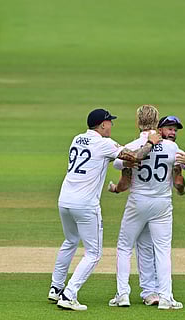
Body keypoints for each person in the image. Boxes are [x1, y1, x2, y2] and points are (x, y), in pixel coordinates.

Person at [48, 108, 162, 311]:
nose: (112, 125)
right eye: (110, 122)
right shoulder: (104, 143)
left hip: (64, 200)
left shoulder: (77, 139)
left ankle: (56, 287)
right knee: (93, 254)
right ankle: (69, 294)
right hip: (85, 204)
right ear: (102, 125)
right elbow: (135, 157)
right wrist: (151, 142)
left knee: (70, 241)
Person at [108, 114, 185, 307]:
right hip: (161, 203)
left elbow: (116, 163)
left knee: (125, 247)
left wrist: (127, 163)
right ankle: (165, 297)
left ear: (137, 122)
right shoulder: (171, 147)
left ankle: (123, 294)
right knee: (163, 250)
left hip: (138, 201)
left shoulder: (133, 145)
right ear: (158, 126)